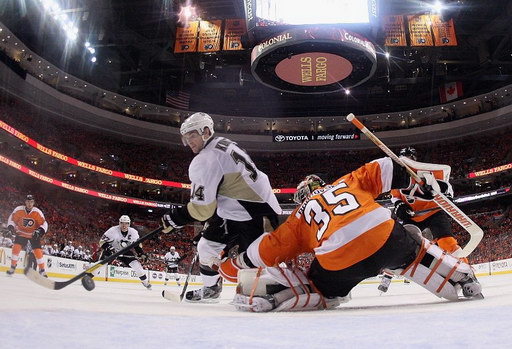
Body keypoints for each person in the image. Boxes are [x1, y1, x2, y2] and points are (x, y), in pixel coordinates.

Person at [220, 157, 482, 312]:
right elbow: (389, 168)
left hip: (341, 261)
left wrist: (232, 266)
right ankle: (460, 276)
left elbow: (268, 250)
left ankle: (274, 296)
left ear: (300, 196)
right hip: (385, 236)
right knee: (412, 242)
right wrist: (419, 184)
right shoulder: (346, 181)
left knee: (318, 284)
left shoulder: (298, 218)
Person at [160, 112, 281, 302]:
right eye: (186, 137)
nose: (189, 141)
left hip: (256, 211)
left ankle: (277, 289)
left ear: (206, 131)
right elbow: (223, 190)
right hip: (238, 208)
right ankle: (211, 290)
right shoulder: (223, 142)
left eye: (192, 135)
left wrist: (177, 217)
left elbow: (203, 208)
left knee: (256, 272)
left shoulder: (205, 159)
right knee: (207, 245)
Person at [378, 147, 464, 293]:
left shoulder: (426, 172)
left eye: (409, 157)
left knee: (447, 242)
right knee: (400, 245)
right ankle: (387, 277)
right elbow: (394, 195)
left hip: (433, 211)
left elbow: (445, 184)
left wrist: (447, 195)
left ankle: (466, 274)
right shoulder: (397, 177)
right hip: (412, 215)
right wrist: (398, 204)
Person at [99, 215, 151, 289]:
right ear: (119, 223)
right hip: (112, 250)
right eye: (122, 223)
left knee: (137, 266)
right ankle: (88, 276)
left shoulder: (133, 232)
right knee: (100, 265)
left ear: (129, 224)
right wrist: (108, 248)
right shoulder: (112, 230)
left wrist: (141, 253)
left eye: (126, 223)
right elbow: (101, 242)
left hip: (125, 251)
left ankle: (146, 283)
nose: (124, 225)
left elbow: (137, 245)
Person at [6, 195, 48, 276]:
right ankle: (13, 267)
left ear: (33, 203)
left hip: (33, 234)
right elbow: (12, 219)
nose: (29, 203)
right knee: (16, 248)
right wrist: (11, 227)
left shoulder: (37, 212)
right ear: (25, 202)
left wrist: (40, 231)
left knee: (38, 251)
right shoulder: (18, 209)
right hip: (21, 232)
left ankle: (42, 270)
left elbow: (44, 223)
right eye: (28, 201)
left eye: (31, 202)